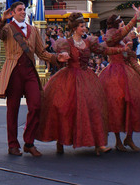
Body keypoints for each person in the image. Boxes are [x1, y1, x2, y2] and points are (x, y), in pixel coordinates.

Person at [38, 12, 129, 155]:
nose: (84, 28)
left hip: (87, 78)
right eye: (81, 26)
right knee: (65, 108)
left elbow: (104, 50)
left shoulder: (89, 42)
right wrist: (63, 56)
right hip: (69, 78)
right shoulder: (65, 43)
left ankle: (99, 144)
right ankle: (61, 140)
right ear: (74, 28)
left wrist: (121, 49)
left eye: (84, 26)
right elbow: (60, 55)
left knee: (94, 107)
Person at [0, 2, 68, 157]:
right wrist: (2, 19)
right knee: (12, 110)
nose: (23, 12)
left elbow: (41, 52)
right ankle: (12, 144)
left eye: (23, 10)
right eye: (19, 10)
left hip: (29, 72)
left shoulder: (33, 30)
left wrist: (56, 58)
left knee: (36, 105)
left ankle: (29, 142)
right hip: (13, 72)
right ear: (12, 13)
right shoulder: (7, 28)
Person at [99, 8, 140, 153]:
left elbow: (132, 59)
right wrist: (135, 17)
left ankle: (129, 137)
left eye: (123, 25)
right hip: (112, 76)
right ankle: (118, 140)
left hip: (127, 74)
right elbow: (113, 39)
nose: (123, 27)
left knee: (134, 103)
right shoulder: (111, 37)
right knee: (115, 106)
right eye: (121, 24)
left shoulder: (124, 41)